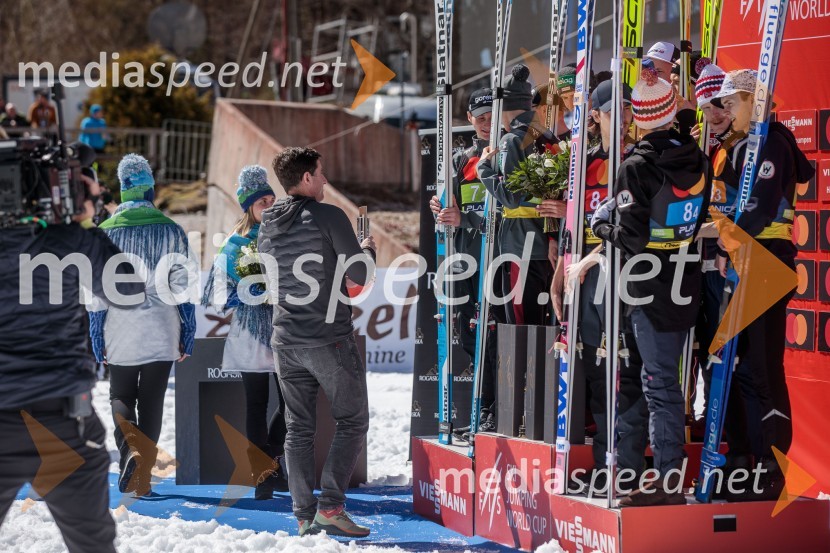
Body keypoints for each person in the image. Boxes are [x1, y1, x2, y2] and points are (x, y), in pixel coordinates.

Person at [0, 156, 144, 553]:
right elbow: (128, 290)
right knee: (93, 545)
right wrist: (86, 221)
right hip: (61, 422)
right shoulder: (67, 239)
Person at [592, 68, 712, 506]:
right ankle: (634, 473)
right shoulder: (697, 157)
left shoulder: (636, 165)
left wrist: (602, 225)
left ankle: (666, 482)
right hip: (683, 282)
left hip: (646, 287)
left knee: (655, 384)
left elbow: (633, 236)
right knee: (653, 382)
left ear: (639, 116)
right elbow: (697, 219)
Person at [259, 147, 376, 537]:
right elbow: (359, 275)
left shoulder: (267, 223)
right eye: (321, 173)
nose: (325, 179)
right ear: (306, 178)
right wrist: (368, 251)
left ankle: (304, 515)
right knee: (353, 420)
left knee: (299, 429)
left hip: (285, 340)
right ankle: (330, 507)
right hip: (328, 338)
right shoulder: (327, 214)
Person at [712, 69, 815, 501]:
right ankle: (742, 456)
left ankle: (773, 465)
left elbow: (761, 206)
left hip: (767, 260)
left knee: (762, 368)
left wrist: (727, 242)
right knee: (734, 362)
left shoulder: (772, 140)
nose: (725, 111)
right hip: (747, 260)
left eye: (731, 103)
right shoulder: (746, 145)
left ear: (752, 100)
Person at [551, 79, 648, 492]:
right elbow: (574, 224)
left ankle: (625, 464)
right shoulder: (583, 162)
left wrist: (592, 260)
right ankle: (603, 461)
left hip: (626, 274)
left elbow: (633, 227)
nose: (623, 117)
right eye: (614, 109)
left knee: (625, 372)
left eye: (628, 109)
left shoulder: (637, 159)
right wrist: (561, 268)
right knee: (596, 373)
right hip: (585, 280)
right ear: (596, 114)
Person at [88, 153, 197, 497]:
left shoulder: (103, 232)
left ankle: (130, 452)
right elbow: (185, 286)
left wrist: (95, 333)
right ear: (150, 188)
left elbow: (93, 294)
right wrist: (188, 330)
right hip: (163, 324)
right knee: (152, 400)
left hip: (120, 325)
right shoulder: (172, 230)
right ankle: (143, 477)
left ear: (122, 190)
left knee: (121, 394)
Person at [202, 165, 288, 500]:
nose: (268, 205)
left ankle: (270, 460)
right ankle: (263, 474)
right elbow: (215, 294)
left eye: (271, 199)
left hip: (285, 331)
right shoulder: (234, 244)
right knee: (256, 404)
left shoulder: (287, 234)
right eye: (261, 201)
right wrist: (251, 294)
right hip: (252, 333)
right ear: (248, 207)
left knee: (291, 405)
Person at [430, 88, 503, 435]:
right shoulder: (461, 160)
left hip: (496, 260)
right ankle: (481, 410)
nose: (488, 124)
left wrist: (466, 221)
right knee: (468, 336)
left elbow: (504, 212)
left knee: (493, 335)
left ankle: (492, 411)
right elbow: (453, 209)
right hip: (465, 261)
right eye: (481, 118)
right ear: (470, 122)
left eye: (493, 117)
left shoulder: (505, 152)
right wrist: (442, 211)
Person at [477, 64, 562, 326]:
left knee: (520, 326)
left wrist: (485, 171)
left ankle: (525, 370)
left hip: (520, 244)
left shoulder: (511, 139)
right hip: (547, 244)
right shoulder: (548, 135)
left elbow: (511, 197)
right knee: (543, 324)